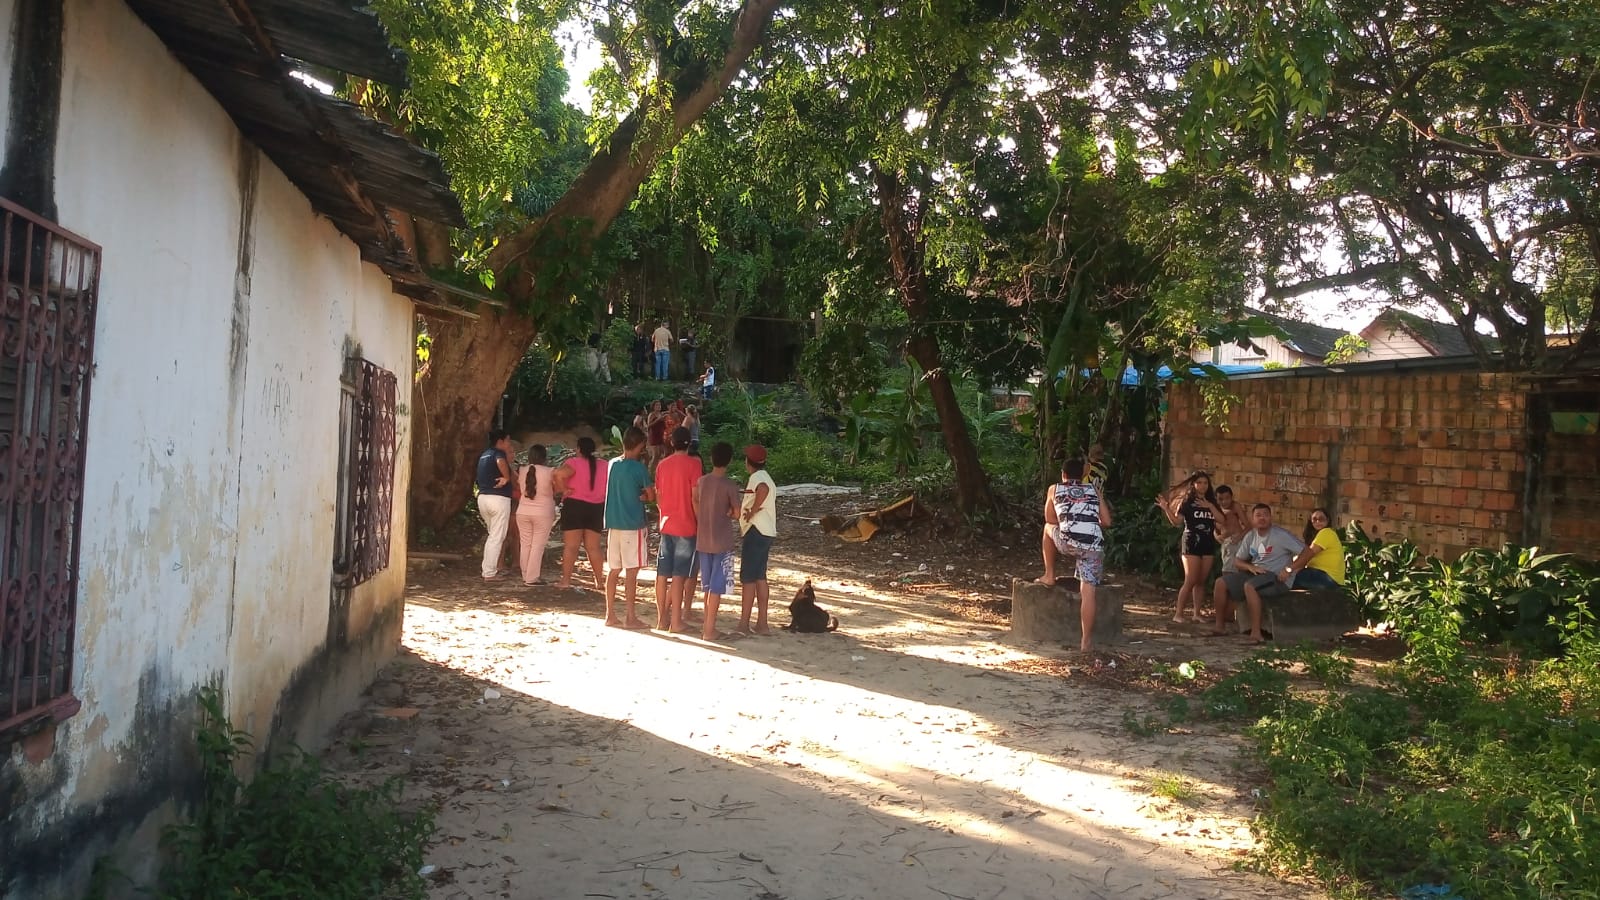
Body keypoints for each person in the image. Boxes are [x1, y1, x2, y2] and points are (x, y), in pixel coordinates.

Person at [1036, 457, 1113, 652]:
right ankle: (1086, 641)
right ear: (1084, 474)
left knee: (1047, 528)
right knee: (1088, 594)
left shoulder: (1054, 489)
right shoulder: (1094, 490)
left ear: (1063, 474)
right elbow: (1107, 522)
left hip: (1067, 543)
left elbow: (1050, 519)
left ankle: (1049, 575)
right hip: (1093, 546)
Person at [1211, 503, 1306, 643]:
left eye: (1265, 515)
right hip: (1256, 574)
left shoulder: (1281, 535)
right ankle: (1220, 627)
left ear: (1271, 517)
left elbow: (1307, 552)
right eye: (1258, 515)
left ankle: (1256, 634)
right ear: (1253, 519)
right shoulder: (1250, 535)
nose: (1262, 518)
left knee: (1250, 586)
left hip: (1277, 577)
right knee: (1221, 583)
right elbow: (1237, 561)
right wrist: (1250, 567)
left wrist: (1289, 569)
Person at [601, 427, 653, 628]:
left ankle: (610, 614)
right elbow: (650, 495)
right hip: (632, 524)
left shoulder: (612, 464)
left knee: (614, 570)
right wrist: (643, 496)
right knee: (632, 571)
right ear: (640, 445)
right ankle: (630, 617)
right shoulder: (639, 468)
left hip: (613, 523)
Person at [653, 427, 701, 631]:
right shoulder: (694, 464)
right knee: (680, 574)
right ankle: (676, 621)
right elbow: (695, 497)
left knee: (662, 574)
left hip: (667, 523)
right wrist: (700, 522)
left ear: (671, 443)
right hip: (686, 525)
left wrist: (663, 513)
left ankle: (661, 619)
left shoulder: (662, 465)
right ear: (689, 443)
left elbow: (658, 495)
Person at [693, 442, 742, 640]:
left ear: (711, 458)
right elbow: (737, 513)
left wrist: (702, 517)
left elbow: (695, 500)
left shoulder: (702, 481)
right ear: (729, 461)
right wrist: (729, 512)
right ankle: (709, 629)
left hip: (703, 539)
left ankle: (707, 625)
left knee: (707, 587)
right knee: (716, 588)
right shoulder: (730, 485)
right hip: (722, 541)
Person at [1163, 471, 1222, 623]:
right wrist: (1166, 509)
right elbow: (1177, 522)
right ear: (1193, 485)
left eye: (1205, 483)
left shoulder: (1212, 502)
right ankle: (1178, 614)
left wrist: (1210, 506)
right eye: (1199, 483)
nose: (1202, 486)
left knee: (1201, 581)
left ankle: (1197, 613)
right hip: (1191, 543)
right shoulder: (1187, 502)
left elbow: (1222, 520)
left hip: (1208, 543)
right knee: (1190, 579)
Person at [553, 436, 608, 592]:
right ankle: (599, 581)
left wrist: (564, 490)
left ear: (578, 449)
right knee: (594, 547)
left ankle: (565, 581)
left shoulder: (574, 462)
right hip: (596, 507)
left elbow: (558, 474)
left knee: (571, 546)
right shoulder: (604, 465)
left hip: (575, 506)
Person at [737, 443, 777, 635]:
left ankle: (744, 623)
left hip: (756, 530)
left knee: (749, 578)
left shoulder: (757, 478)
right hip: (767, 531)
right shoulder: (766, 476)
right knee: (760, 576)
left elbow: (762, 489)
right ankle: (762, 623)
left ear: (748, 462)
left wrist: (752, 511)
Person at [515, 444, 558, 585]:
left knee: (525, 544)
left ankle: (525, 574)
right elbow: (556, 488)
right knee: (537, 545)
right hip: (543, 512)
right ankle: (532, 577)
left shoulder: (522, 470)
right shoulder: (550, 471)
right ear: (544, 457)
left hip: (522, 511)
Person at [475, 430, 515, 581]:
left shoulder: (484, 454)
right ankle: (489, 573)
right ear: (500, 441)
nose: (509, 444)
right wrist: (506, 477)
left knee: (493, 536)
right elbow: (500, 461)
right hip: (498, 499)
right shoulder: (499, 453)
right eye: (508, 440)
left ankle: (489, 569)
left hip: (483, 498)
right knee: (496, 537)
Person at [1290, 508, 1346, 590]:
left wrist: (1289, 569)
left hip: (1327, 578)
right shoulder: (1320, 535)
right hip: (1327, 578)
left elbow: (1308, 555)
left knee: (1288, 578)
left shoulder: (1327, 532)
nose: (1318, 521)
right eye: (1314, 519)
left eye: (1321, 519)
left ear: (1327, 520)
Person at [1214, 484, 1247, 573]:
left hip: (1235, 542)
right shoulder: (1215, 509)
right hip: (1225, 543)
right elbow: (1212, 526)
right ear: (1216, 499)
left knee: (1228, 571)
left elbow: (1248, 526)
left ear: (1232, 497)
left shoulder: (1235, 506)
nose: (1224, 502)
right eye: (1220, 499)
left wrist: (1238, 538)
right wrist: (1216, 536)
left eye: (1227, 498)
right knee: (1227, 569)